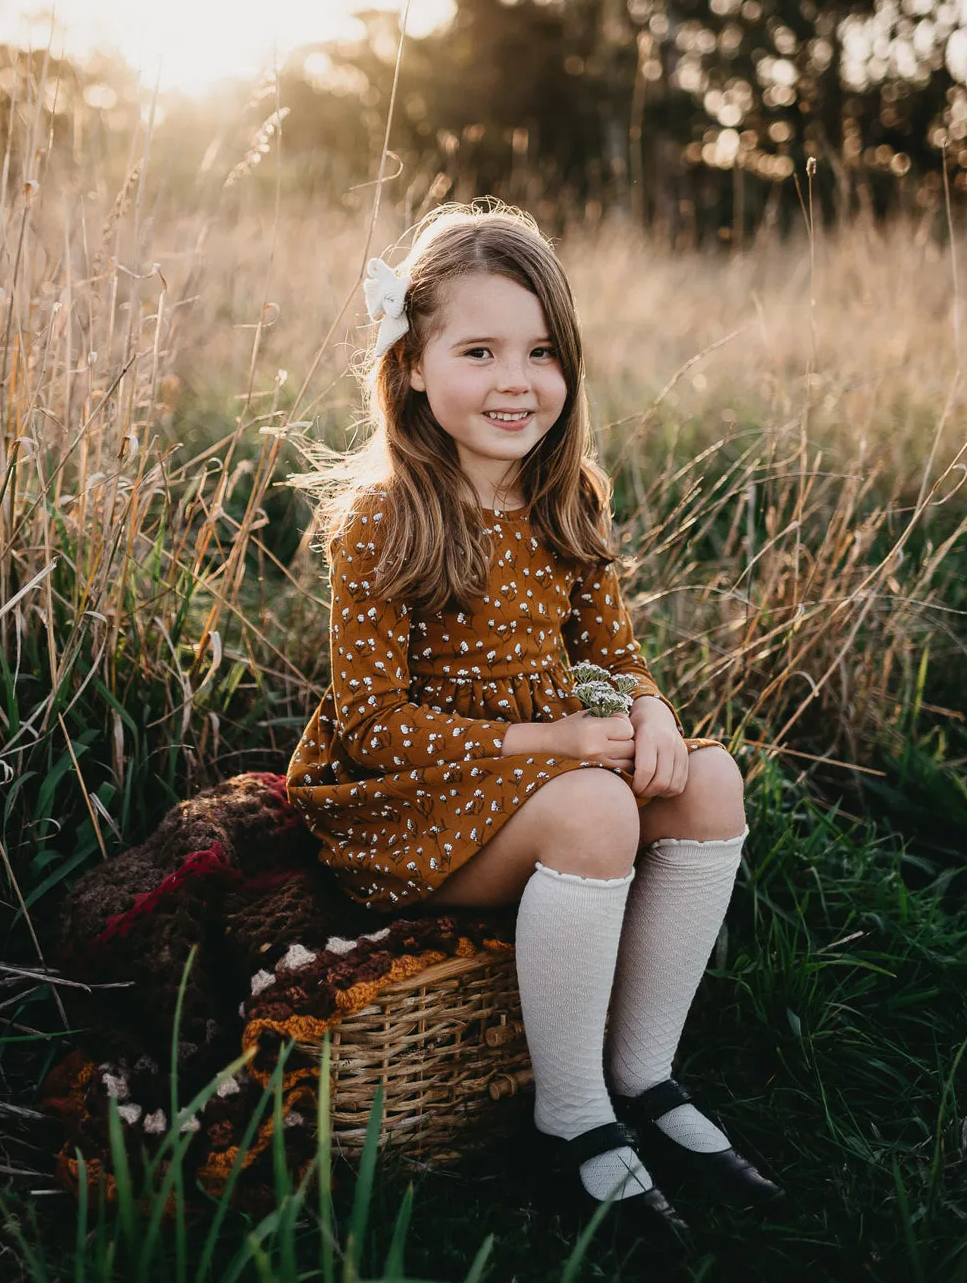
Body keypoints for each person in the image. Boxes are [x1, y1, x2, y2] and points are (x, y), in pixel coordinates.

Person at [286, 202, 782, 1238]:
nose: (517, 381)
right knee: (598, 809)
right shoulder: (385, 516)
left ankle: (642, 1070)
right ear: (414, 365)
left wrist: (646, 708)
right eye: (480, 350)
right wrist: (551, 745)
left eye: (542, 352)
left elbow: (611, 651)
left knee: (714, 779)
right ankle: (571, 1117)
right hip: (408, 812)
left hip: (542, 786)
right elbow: (373, 723)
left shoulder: (568, 501)